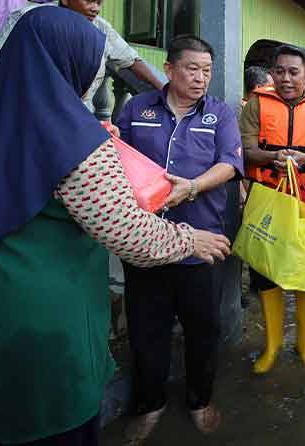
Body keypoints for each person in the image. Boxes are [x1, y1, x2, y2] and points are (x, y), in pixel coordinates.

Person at [0, 8, 231, 446]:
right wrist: (191, 239)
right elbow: (128, 233)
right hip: (37, 312)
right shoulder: (75, 138)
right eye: (97, 63)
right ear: (74, 61)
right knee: (41, 421)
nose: (100, 75)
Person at [113, 35, 242, 437]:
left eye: (206, 70)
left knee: (204, 328)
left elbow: (230, 163)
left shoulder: (218, 114)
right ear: (169, 69)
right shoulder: (136, 108)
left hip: (201, 244)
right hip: (145, 242)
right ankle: (149, 403)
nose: (201, 77)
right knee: (146, 327)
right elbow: (115, 157)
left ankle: (199, 399)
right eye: (192, 68)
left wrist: (194, 186)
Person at [239, 44, 305, 373]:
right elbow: (245, 149)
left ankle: (304, 343)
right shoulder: (256, 103)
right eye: (279, 71)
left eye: (293, 72)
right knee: (265, 272)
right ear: (272, 73)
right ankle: (272, 346)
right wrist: (274, 158)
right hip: (267, 196)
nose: (285, 78)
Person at [0, 0, 163, 116]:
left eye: (99, 3)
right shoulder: (29, 18)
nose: (95, 9)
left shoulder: (101, 28)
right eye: (90, 1)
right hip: (28, 112)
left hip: (79, 116)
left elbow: (131, 60)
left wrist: (165, 89)